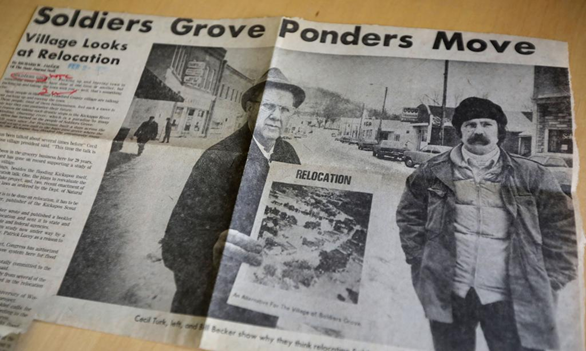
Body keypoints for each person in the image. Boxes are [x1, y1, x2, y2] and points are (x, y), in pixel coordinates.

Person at [396, 97, 577, 351]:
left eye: (486, 124)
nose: (478, 131)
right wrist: (420, 259)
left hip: (511, 296)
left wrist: (553, 278)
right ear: (459, 131)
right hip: (451, 292)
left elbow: (564, 226)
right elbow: (409, 215)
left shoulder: (532, 174)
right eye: (470, 125)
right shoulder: (432, 171)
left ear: (498, 130)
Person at [161, 68, 305, 323]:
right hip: (214, 301)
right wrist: (214, 253)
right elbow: (176, 242)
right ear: (249, 107)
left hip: (263, 297)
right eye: (269, 107)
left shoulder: (289, 154)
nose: (276, 117)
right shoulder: (217, 158)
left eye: (285, 110)